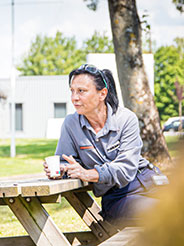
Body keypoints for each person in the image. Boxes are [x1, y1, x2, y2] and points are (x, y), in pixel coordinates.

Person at [44, 64, 163, 225]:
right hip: (119, 196)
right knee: (167, 215)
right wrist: (61, 170)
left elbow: (126, 168)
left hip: (149, 179)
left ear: (102, 94)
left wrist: (89, 173)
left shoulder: (126, 119)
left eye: (81, 91)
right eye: (72, 91)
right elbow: (66, 161)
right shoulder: (71, 124)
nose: (74, 97)